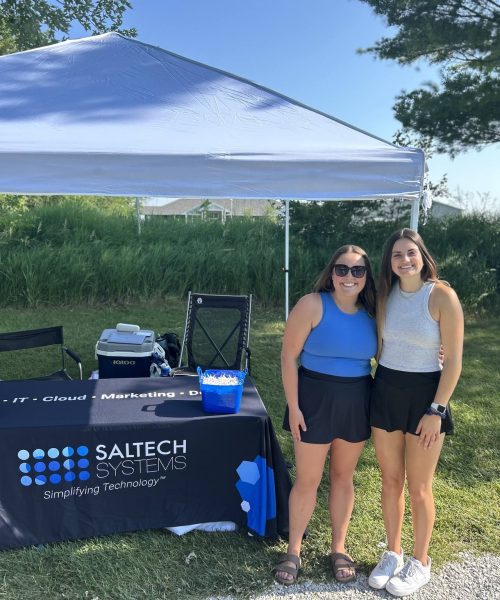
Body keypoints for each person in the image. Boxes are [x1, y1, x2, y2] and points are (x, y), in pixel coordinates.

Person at [368, 228, 463, 597]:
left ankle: (420, 562)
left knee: (419, 487)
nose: (404, 260)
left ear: (422, 255)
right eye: (397, 255)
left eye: (410, 253)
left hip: (427, 397)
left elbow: (453, 361)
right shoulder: (383, 297)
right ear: (389, 263)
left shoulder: (441, 295)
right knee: (391, 481)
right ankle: (393, 553)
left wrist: (436, 410)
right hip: (387, 390)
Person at [274, 244, 377, 585]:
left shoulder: (375, 313)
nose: (349, 276)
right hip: (313, 399)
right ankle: (293, 551)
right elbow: (289, 357)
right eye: (342, 269)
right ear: (331, 272)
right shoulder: (312, 304)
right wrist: (295, 407)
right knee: (308, 479)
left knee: (343, 477)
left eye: (357, 270)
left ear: (367, 277)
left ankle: (339, 547)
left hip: (357, 399)